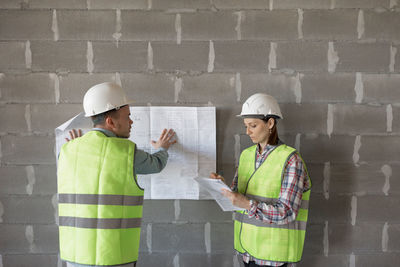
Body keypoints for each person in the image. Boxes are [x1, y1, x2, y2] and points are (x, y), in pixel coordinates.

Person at [57, 82, 176, 267]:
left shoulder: (67, 149)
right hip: (112, 255)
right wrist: (162, 148)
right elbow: (156, 164)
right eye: (127, 116)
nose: (131, 122)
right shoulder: (126, 152)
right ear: (110, 122)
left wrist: (75, 144)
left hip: (75, 254)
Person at [210, 93, 311, 267]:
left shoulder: (290, 159)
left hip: (275, 258)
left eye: (253, 126)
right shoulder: (246, 155)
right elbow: (238, 197)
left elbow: (287, 212)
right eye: (246, 126)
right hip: (247, 252)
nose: (247, 131)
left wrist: (248, 205)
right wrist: (223, 187)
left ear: (270, 123)